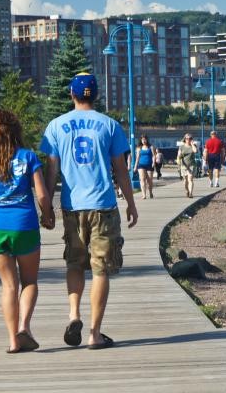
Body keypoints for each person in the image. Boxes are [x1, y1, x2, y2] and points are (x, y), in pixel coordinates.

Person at [40, 72, 138, 350]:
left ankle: (73, 314)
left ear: (71, 94)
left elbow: (52, 171)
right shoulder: (109, 125)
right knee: (101, 270)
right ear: (95, 95)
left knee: (73, 263)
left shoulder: (56, 126)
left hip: (72, 206)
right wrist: (130, 202)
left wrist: (47, 207)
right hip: (103, 206)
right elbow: (120, 170)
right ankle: (94, 334)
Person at [0, 109, 54, 354]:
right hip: (24, 225)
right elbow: (41, 194)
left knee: (9, 285)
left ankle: (12, 340)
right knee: (29, 282)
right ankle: (24, 327)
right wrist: (48, 214)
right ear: (15, 130)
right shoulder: (28, 157)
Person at [134, 135, 155, 200]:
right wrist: (135, 166)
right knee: (142, 179)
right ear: (141, 140)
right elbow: (137, 158)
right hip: (141, 165)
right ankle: (144, 195)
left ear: (147, 139)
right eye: (142, 139)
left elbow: (154, 155)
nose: (144, 141)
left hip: (149, 165)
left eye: (145, 139)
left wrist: (153, 163)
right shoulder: (139, 148)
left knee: (149, 181)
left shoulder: (151, 147)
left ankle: (150, 192)